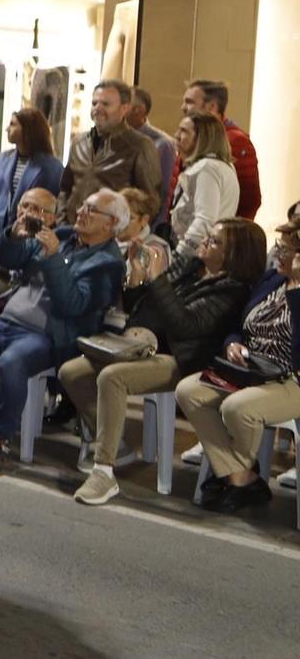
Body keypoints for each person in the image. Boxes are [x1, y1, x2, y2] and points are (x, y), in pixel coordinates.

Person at [62, 217, 260, 506]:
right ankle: (117, 445)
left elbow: (185, 327)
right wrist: (137, 277)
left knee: (111, 377)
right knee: (72, 371)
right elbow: (144, 308)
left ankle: (103, 472)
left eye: (216, 241)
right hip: (146, 346)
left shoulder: (232, 290)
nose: (205, 242)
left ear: (234, 254)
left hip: (183, 359)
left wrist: (157, 278)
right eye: (209, 236)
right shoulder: (193, 268)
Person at [0, 188, 128, 476]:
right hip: (4, 323)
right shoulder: (66, 236)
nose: (80, 212)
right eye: (81, 207)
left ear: (111, 224)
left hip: (47, 337)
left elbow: (73, 304)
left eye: (91, 210)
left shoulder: (109, 264)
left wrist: (53, 258)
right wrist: (13, 236)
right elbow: (11, 259)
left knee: (13, 362)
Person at [175, 213, 300, 511]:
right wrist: (234, 343)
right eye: (278, 248)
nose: (277, 255)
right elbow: (238, 323)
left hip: (289, 379)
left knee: (237, 408)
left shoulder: (293, 289)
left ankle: (234, 478)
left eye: (285, 250)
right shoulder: (271, 280)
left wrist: (296, 292)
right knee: (189, 391)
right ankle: (241, 478)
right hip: (251, 368)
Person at [60, 79, 160, 223]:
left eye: (106, 104)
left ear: (124, 108)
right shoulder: (79, 142)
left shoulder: (140, 145)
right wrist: (61, 221)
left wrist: (123, 230)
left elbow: (150, 200)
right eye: (94, 103)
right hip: (71, 230)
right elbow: (65, 188)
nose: (98, 108)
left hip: (111, 235)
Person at [0, 107, 64, 245]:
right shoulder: (2, 159)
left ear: (27, 129)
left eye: (12, 124)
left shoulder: (51, 167)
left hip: (27, 239)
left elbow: (53, 205)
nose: (7, 129)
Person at [180, 78, 259, 220]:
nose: (183, 107)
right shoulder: (190, 136)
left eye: (189, 102)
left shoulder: (236, 141)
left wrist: (229, 234)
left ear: (211, 107)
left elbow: (249, 198)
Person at [168, 111, 238, 262]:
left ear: (202, 138)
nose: (176, 135)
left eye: (184, 131)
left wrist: (178, 257)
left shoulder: (207, 168)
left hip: (196, 258)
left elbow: (205, 220)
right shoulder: (220, 166)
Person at [127, 87, 177, 217]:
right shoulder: (112, 139)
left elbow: (163, 192)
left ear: (138, 110)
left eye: (124, 103)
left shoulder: (162, 144)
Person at [116, 186, 173, 296]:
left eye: (129, 218)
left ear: (144, 220)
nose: (121, 222)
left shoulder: (153, 249)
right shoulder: (106, 239)